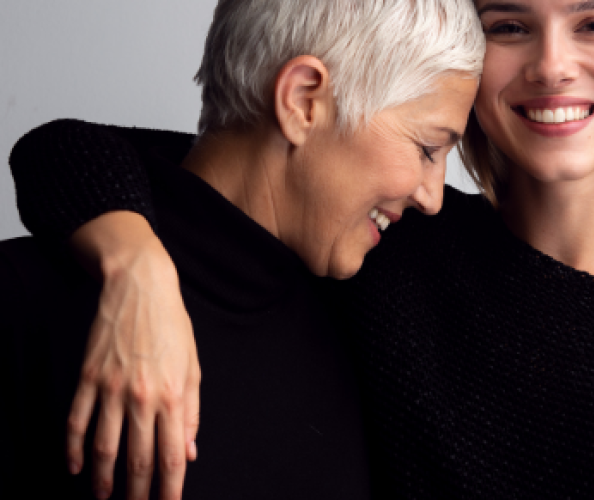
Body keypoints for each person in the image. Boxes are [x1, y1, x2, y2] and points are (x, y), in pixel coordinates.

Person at [8, 0, 594, 498]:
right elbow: (82, 150)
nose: (552, 66)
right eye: (509, 25)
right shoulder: (392, 248)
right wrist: (136, 267)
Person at [0, 0, 482, 498]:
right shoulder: (26, 301)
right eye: (427, 149)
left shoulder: (373, 316)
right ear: (303, 100)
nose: (433, 196)